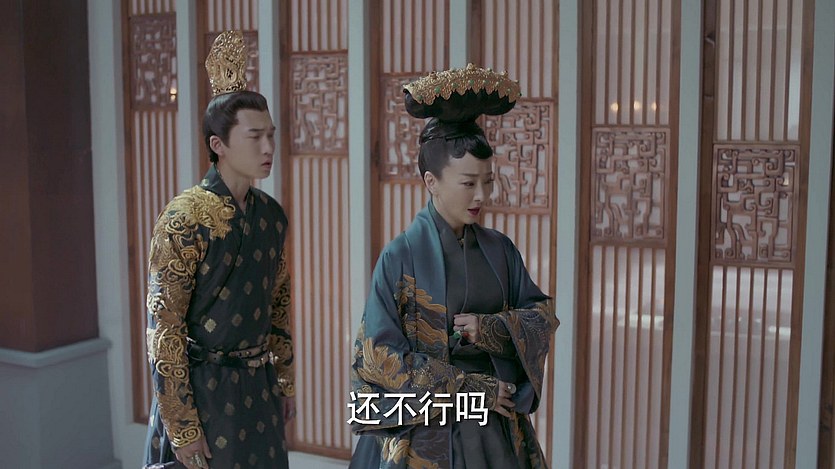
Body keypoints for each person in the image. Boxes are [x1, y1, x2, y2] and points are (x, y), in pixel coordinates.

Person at [349, 64, 559, 468]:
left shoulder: (501, 250)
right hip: (422, 433)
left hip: (494, 428)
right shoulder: (399, 256)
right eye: (468, 183)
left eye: (488, 181)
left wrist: (492, 329)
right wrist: (468, 390)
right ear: (432, 181)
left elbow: (541, 316)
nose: (481, 195)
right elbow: (378, 357)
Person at [143, 31, 295, 469]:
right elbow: (164, 329)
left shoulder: (271, 215)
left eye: (271, 135)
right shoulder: (183, 219)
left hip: (259, 387)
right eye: (254, 137)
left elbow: (278, 304)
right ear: (218, 145)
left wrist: (284, 381)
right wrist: (182, 426)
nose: (268, 148)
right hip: (203, 392)